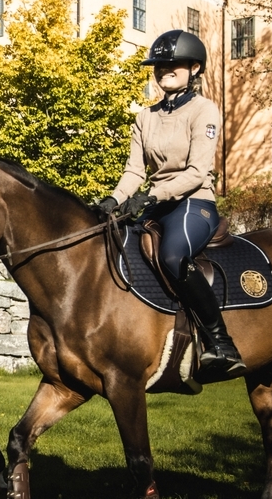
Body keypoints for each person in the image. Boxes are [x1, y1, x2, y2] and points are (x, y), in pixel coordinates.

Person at [96, 29, 246, 382]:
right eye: (159, 66)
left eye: (173, 64)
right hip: (156, 204)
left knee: (173, 257)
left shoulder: (204, 110)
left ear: (194, 67)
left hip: (195, 202)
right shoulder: (144, 117)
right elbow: (135, 170)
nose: (164, 70)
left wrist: (152, 196)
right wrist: (114, 199)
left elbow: (197, 172)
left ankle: (221, 343)